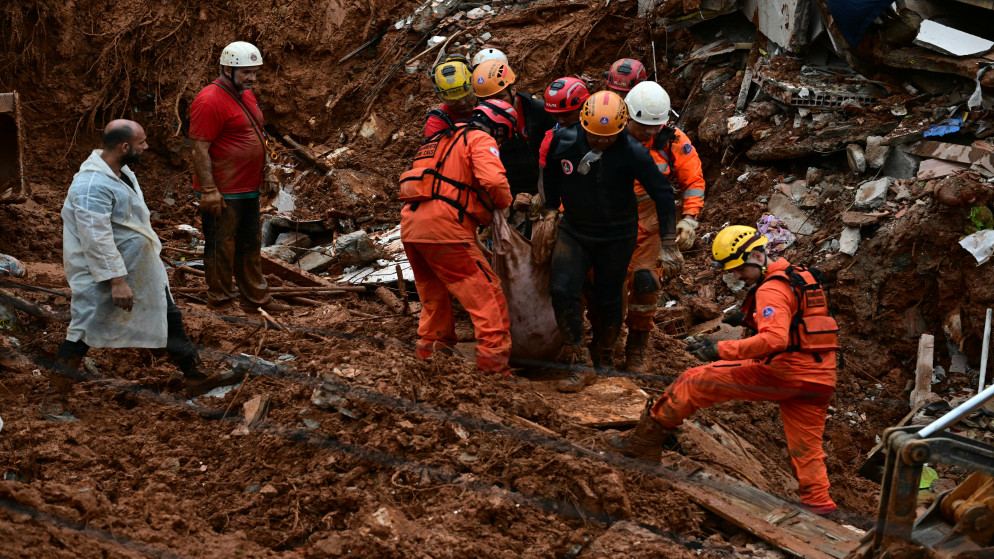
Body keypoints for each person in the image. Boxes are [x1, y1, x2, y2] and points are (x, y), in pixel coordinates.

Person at [610, 225, 840, 515]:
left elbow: (775, 340)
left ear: (757, 256)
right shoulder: (800, 275)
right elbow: (798, 321)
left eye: (740, 269)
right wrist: (746, 317)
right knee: (806, 450)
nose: (737, 276)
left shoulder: (771, 289)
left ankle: (643, 443)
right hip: (819, 378)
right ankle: (819, 505)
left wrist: (720, 349)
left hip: (785, 373)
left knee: (693, 381)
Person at [40, 120, 232, 421]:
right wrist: (117, 281)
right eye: (142, 143)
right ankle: (53, 400)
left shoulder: (122, 173)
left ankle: (196, 376)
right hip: (104, 274)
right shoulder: (91, 186)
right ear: (124, 147)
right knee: (84, 329)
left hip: (136, 267)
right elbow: (96, 238)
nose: (146, 147)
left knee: (169, 316)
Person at [542, 91, 683, 393]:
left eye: (608, 137)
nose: (600, 141)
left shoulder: (632, 151)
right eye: (594, 135)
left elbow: (662, 193)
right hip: (575, 229)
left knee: (608, 297)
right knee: (562, 288)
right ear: (583, 125)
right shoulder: (564, 140)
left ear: (620, 129)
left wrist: (669, 242)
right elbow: (551, 172)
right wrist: (551, 208)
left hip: (616, 235)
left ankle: (604, 352)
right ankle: (577, 361)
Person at [400, 100, 518, 377]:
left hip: (412, 228)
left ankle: (431, 359)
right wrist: (504, 206)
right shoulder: (479, 139)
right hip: (445, 230)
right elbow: (495, 182)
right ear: (498, 128)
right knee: (488, 295)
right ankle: (494, 370)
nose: (501, 143)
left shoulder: (436, 140)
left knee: (434, 297)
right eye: (503, 137)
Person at [189, 41, 288, 315]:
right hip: (223, 191)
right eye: (246, 72)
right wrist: (209, 190)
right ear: (227, 69)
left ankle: (255, 299)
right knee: (221, 247)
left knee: (249, 245)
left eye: (255, 72)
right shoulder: (209, 100)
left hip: (247, 187)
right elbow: (199, 148)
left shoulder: (247, 95)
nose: (252, 78)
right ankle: (220, 302)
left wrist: (266, 171)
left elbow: (256, 134)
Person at [621, 81, 706, 372]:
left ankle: (637, 346)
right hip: (608, 222)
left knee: (645, 283)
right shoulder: (609, 135)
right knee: (602, 285)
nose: (650, 133)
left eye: (655, 127)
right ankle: (602, 343)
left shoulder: (672, 140)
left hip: (650, 226)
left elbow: (693, 181)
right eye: (644, 127)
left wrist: (690, 218)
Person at [472, 59, 554, 236]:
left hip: (547, 185)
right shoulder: (482, 124)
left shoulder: (539, 111)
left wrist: (546, 194)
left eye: (500, 97)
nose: (495, 105)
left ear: (513, 89)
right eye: (487, 100)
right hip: (511, 193)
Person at [424, 56, 477, 138]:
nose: (462, 103)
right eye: (453, 100)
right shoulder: (437, 122)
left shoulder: (489, 104)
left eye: (467, 96)